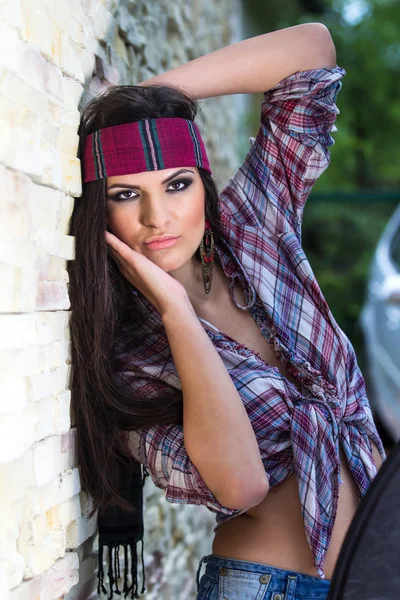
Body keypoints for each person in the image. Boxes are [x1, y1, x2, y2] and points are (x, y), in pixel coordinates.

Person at [69, 23, 386, 600]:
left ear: (203, 184)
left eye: (177, 184)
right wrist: (178, 316)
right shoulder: (128, 356)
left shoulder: (252, 229)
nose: (157, 218)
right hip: (272, 588)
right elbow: (241, 485)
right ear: (99, 211)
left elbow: (310, 52)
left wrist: (141, 107)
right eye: (125, 194)